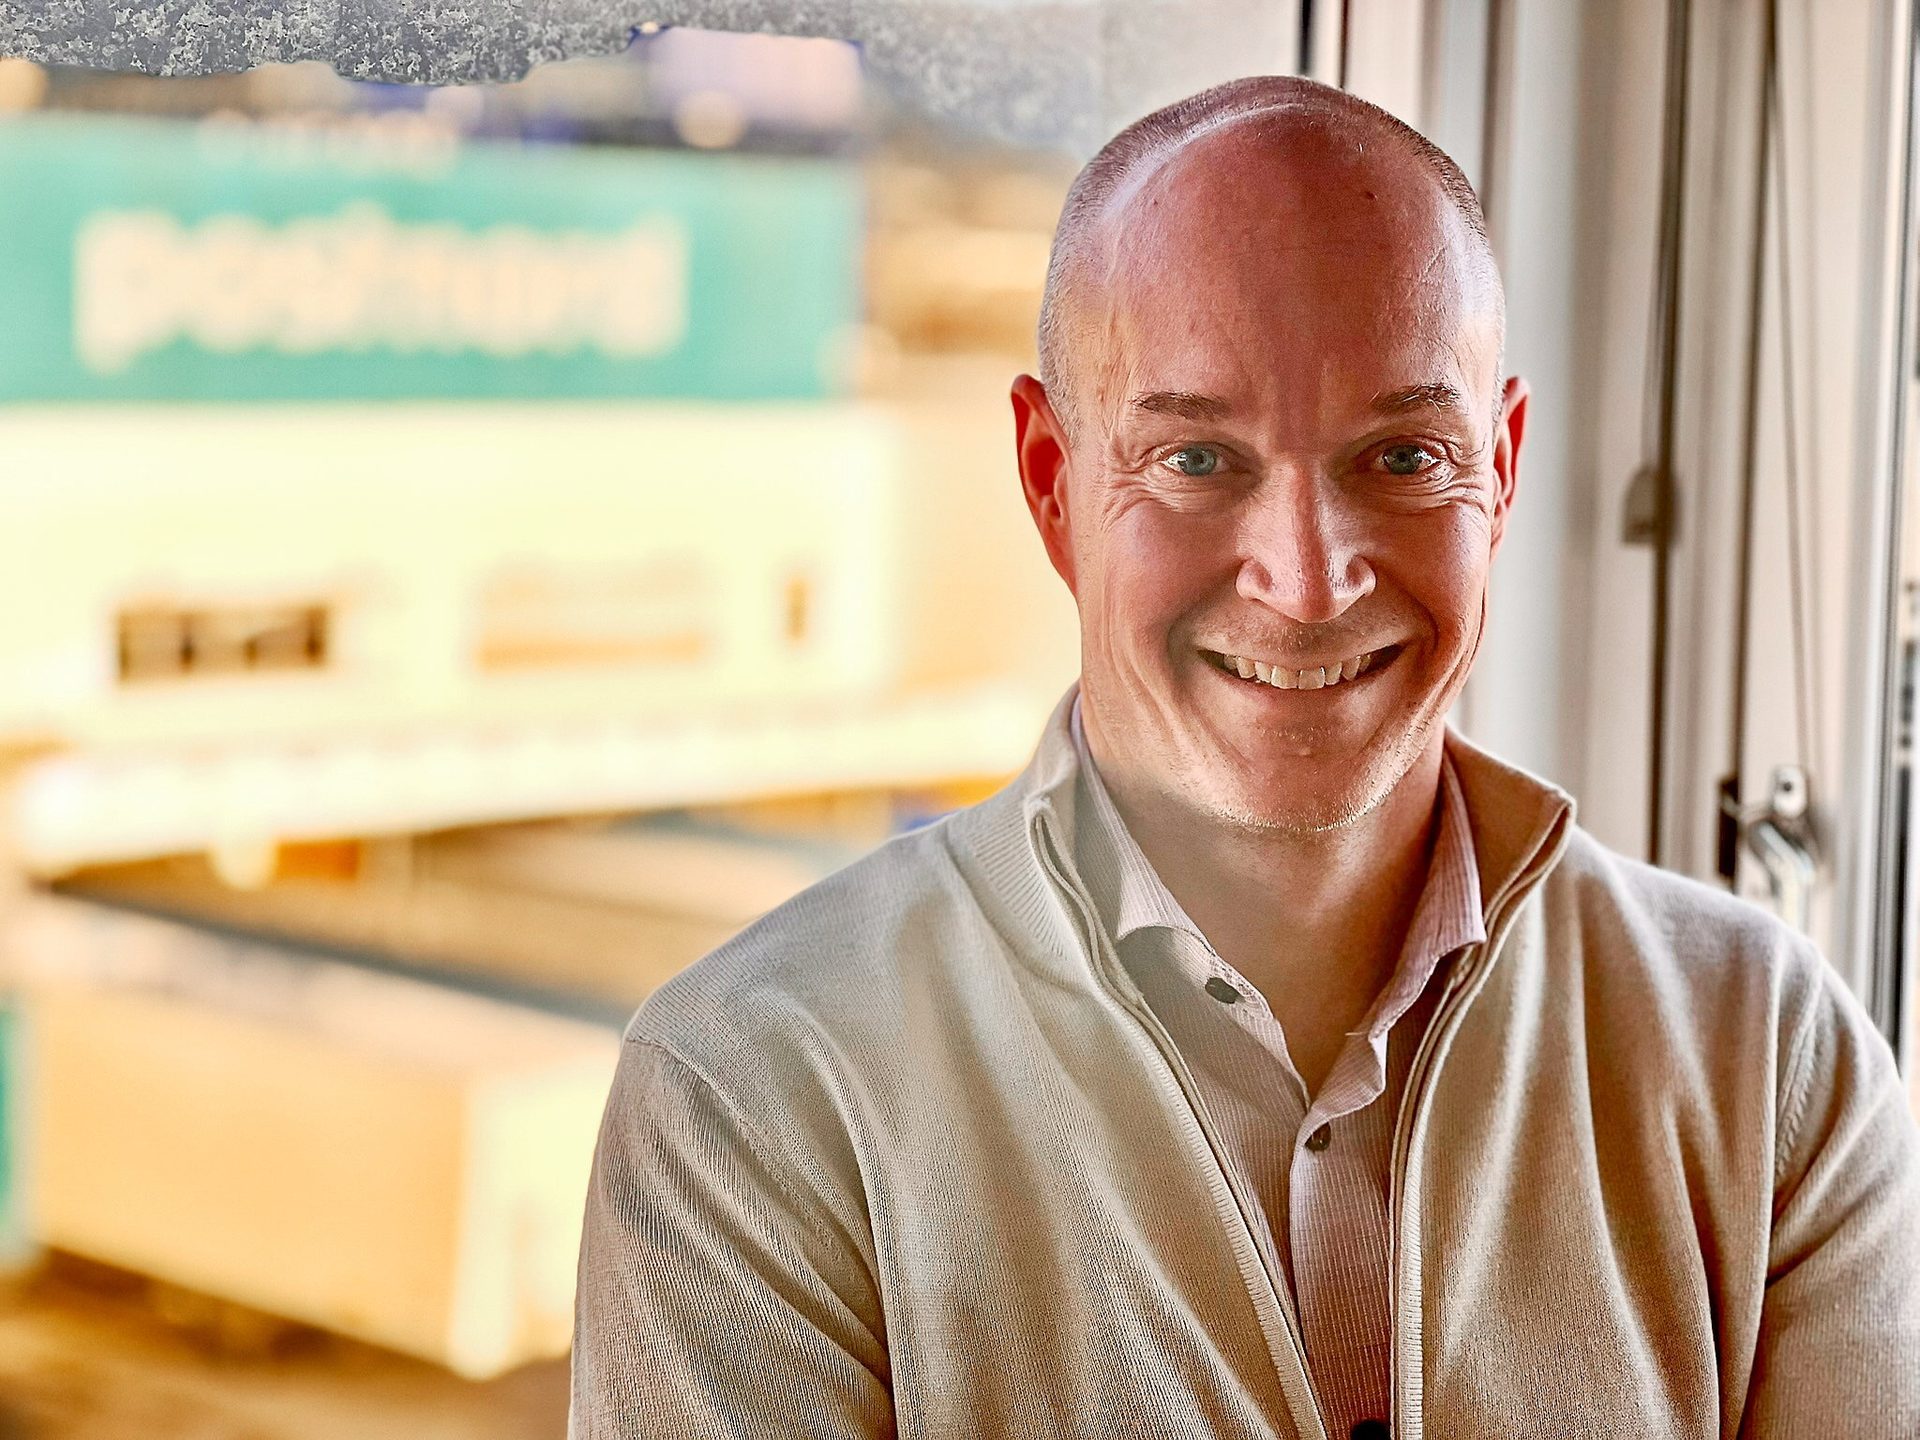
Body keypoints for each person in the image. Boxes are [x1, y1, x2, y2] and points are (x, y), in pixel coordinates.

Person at [570, 75, 1920, 1439]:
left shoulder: (1772, 1066)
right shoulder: (757, 1095)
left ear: (1500, 471)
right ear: (1051, 481)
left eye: (1402, 455)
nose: (1310, 581)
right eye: (1200, 459)